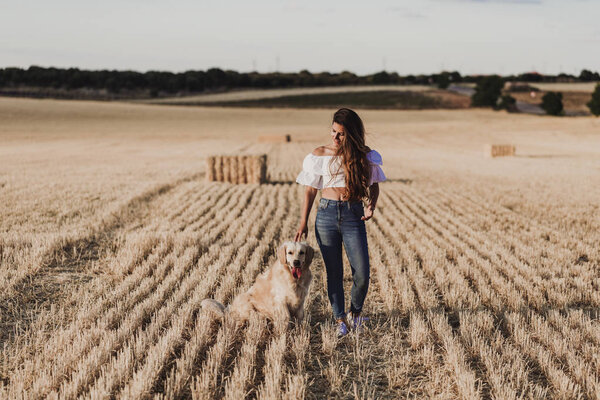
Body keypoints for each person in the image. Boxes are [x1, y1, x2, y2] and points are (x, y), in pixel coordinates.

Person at [294, 108, 386, 337]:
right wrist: (303, 221)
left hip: (353, 215)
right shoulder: (320, 154)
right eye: (333, 131)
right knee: (334, 272)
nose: (335, 137)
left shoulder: (365, 156)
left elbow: (374, 185)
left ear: (352, 135)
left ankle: (356, 313)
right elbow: (310, 190)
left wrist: (370, 205)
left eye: (341, 134)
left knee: (362, 273)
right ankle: (340, 319)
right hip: (326, 215)